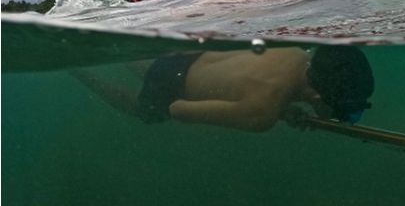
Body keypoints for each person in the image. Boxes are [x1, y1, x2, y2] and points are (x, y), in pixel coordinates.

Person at [71, 45, 374, 132]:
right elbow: (178, 109)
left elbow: (266, 86)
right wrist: (276, 112)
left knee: (145, 66)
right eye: (346, 113)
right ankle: (81, 74)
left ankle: (114, 54)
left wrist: (284, 110)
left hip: (188, 56)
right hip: (175, 86)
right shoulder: (262, 112)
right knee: (141, 111)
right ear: (320, 97)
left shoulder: (295, 53)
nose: (343, 118)